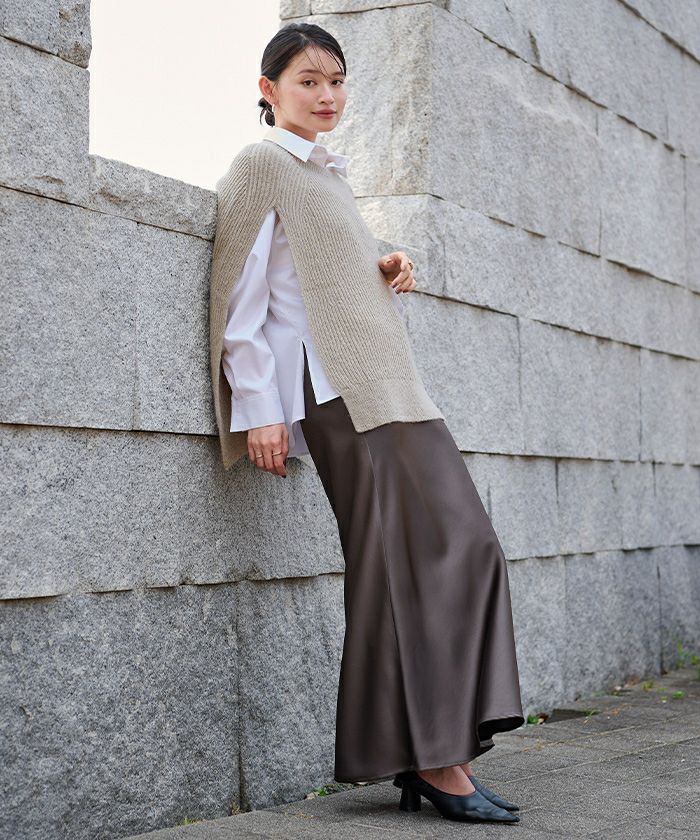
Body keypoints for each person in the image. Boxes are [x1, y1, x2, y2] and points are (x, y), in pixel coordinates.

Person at [209, 21, 525, 825]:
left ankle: (435, 751)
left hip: (389, 386)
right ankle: (434, 762)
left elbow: (314, 272)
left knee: (466, 550)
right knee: (397, 566)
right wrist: (259, 410)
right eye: (308, 81)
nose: (327, 95)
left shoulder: (326, 171)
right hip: (338, 394)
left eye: (337, 80)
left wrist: (382, 261)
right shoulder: (261, 164)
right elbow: (241, 300)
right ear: (268, 89)